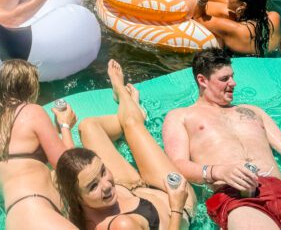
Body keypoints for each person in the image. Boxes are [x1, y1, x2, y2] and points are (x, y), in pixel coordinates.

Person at [162, 49, 281, 230]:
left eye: (232, 76)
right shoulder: (181, 116)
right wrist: (218, 172)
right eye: (224, 79)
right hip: (234, 195)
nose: (233, 83)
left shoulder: (253, 111)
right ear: (202, 80)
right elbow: (177, 164)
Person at [56, 60, 194, 230]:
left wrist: (65, 127)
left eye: (103, 171)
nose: (106, 185)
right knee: (132, 123)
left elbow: (72, 166)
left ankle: (130, 108)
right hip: (173, 200)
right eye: (93, 186)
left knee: (88, 126)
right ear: (76, 196)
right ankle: (123, 95)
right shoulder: (122, 225)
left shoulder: (73, 195)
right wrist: (177, 207)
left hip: (132, 188)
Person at [0, 60, 77, 229]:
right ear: (32, 86)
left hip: (15, 219)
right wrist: (65, 126)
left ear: (0, 87)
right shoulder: (32, 112)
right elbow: (69, 168)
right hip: (38, 212)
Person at [136, 0, 281, 56]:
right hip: (267, 49)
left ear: (241, 7)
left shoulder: (236, 29)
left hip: (240, 57)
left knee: (209, 3)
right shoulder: (274, 17)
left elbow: (197, 16)